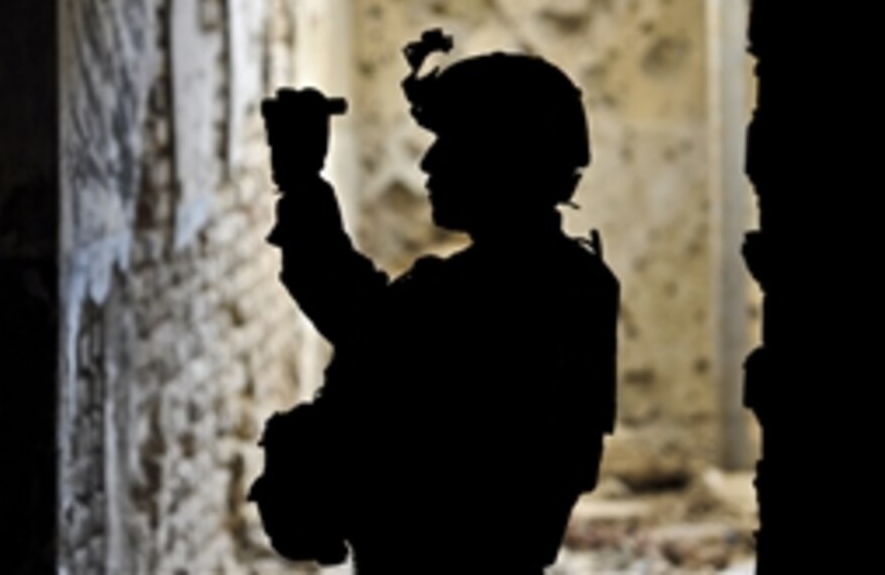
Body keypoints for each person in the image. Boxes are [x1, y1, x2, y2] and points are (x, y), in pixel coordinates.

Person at [250, 31, 620, 574]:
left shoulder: (499, 291)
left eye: (455, 145)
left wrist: (302, 183)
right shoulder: (576, 280)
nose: (429, 164)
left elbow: (355, 313)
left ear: (506, 162)